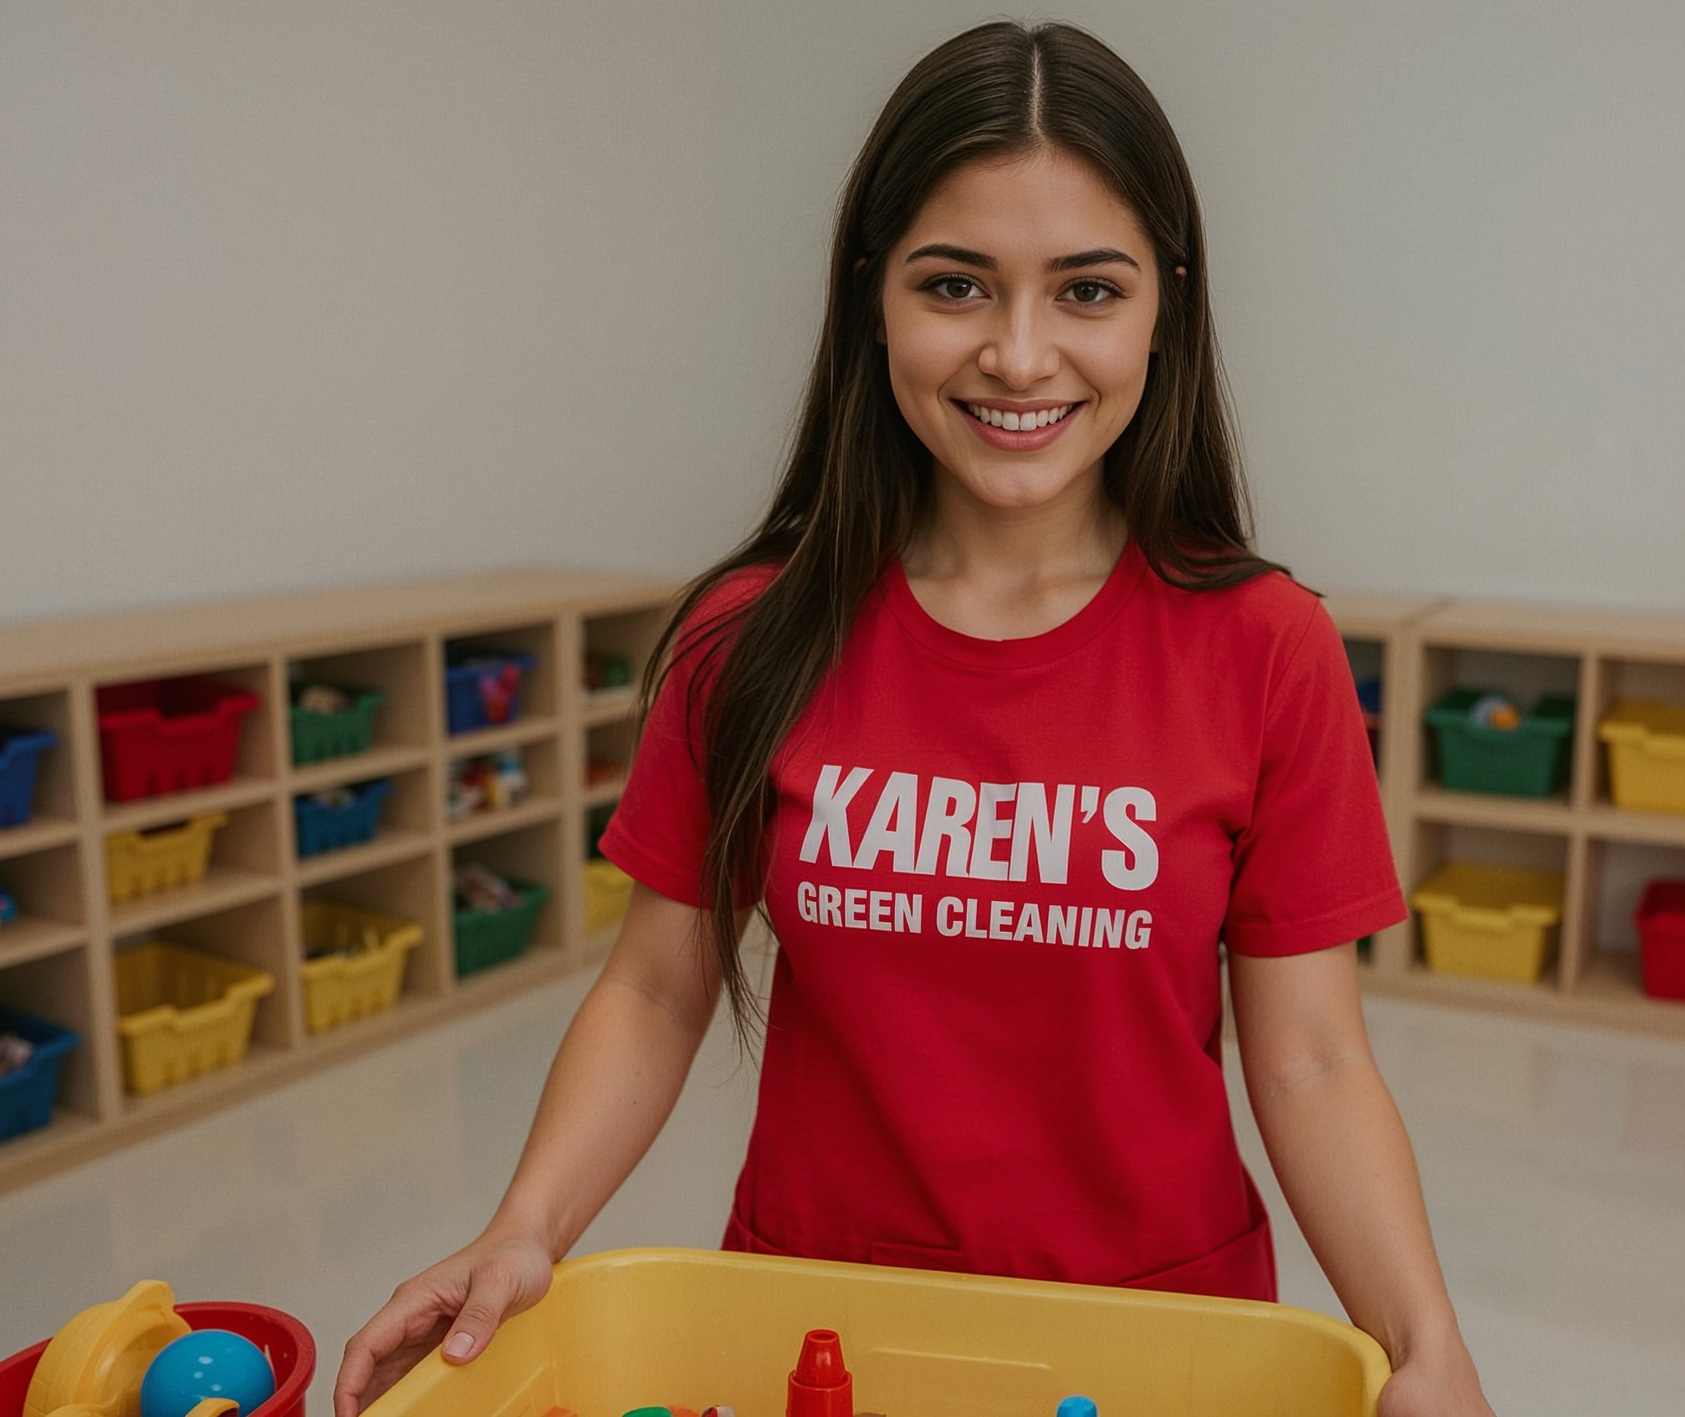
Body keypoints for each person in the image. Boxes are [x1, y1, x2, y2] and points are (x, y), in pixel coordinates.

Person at [337, 20, 1492, 1416]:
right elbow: (656, 983)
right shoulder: (746, 640)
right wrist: (525, 1225)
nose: (1019, 354)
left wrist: (1425, 1338)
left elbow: (1310, 1056)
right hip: (816, 1331)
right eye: (957, 285)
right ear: (871, 295)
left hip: (1153, 1346)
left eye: (1087, 290)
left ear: (1163, 309)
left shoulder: (1267, 649)